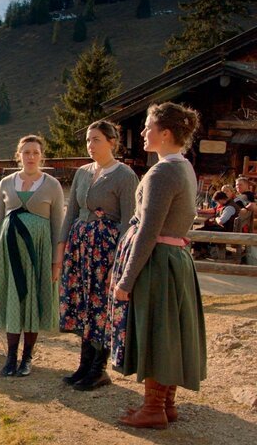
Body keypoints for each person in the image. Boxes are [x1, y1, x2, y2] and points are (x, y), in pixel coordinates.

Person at [108, 102, 206, 430]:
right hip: (173, 259)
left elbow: (149, 231)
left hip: (159, 262)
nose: (144, 132)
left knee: (157, 331)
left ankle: (154, 408)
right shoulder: (183, 167)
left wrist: (125, 279)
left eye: (149, 127)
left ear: (165, 133)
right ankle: (165, 404)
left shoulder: (163, 172)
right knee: (170, 332)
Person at [59, 120, 139, 391]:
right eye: (88, 140)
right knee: (83, 303)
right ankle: (84, 363)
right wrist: (62, 245)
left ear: (112, 142)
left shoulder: (125, 176)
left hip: (105, 250)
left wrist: (120, 258)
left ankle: (98, 368)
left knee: (100, 306)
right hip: (80, 247)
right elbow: (71, 211)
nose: (90, 145)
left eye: (96, 140)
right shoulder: (82, 172)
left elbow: (129, 220)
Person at [0, 135, 64, 377]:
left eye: (35, 152)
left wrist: (56, 262)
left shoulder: (52, 184)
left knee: (32, 302)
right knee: (13, 301)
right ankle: (10, 357)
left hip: (38, 256)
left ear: (42, 155)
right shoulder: (6, 183)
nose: (30, 156)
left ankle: (27, 358)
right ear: (18, 155)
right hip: (10, 254)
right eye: (26, 152)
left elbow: (57, 227)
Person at [193, 190, 239, 258]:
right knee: (202, 229)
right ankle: (202, 250)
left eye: (217, 202)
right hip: (224, 228)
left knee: (198, 232)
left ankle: (199, 252)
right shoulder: (226, 204)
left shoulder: (229, 208)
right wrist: (202, 211)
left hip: (225, 230)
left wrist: (216, 218)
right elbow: (215, 210)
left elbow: (221, 221)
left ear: (221, 199)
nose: (217, 203)